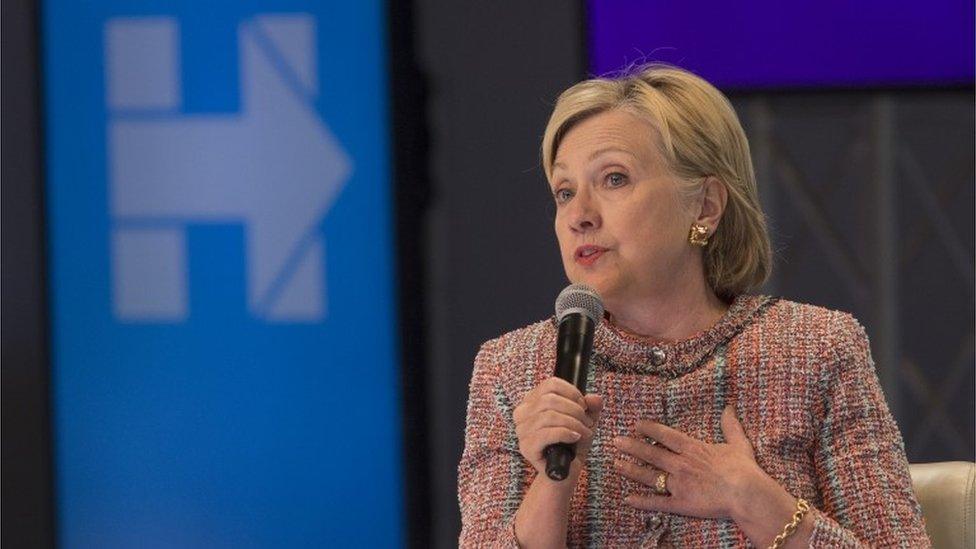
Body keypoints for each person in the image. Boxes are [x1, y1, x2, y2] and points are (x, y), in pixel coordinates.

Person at [457, 64, 929, 548]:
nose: (579, 216)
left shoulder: (815, 350)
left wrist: (756, 501)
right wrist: (554, 480)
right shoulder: (512, 370)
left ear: (704, 206)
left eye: (614, 179)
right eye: (565, 191)